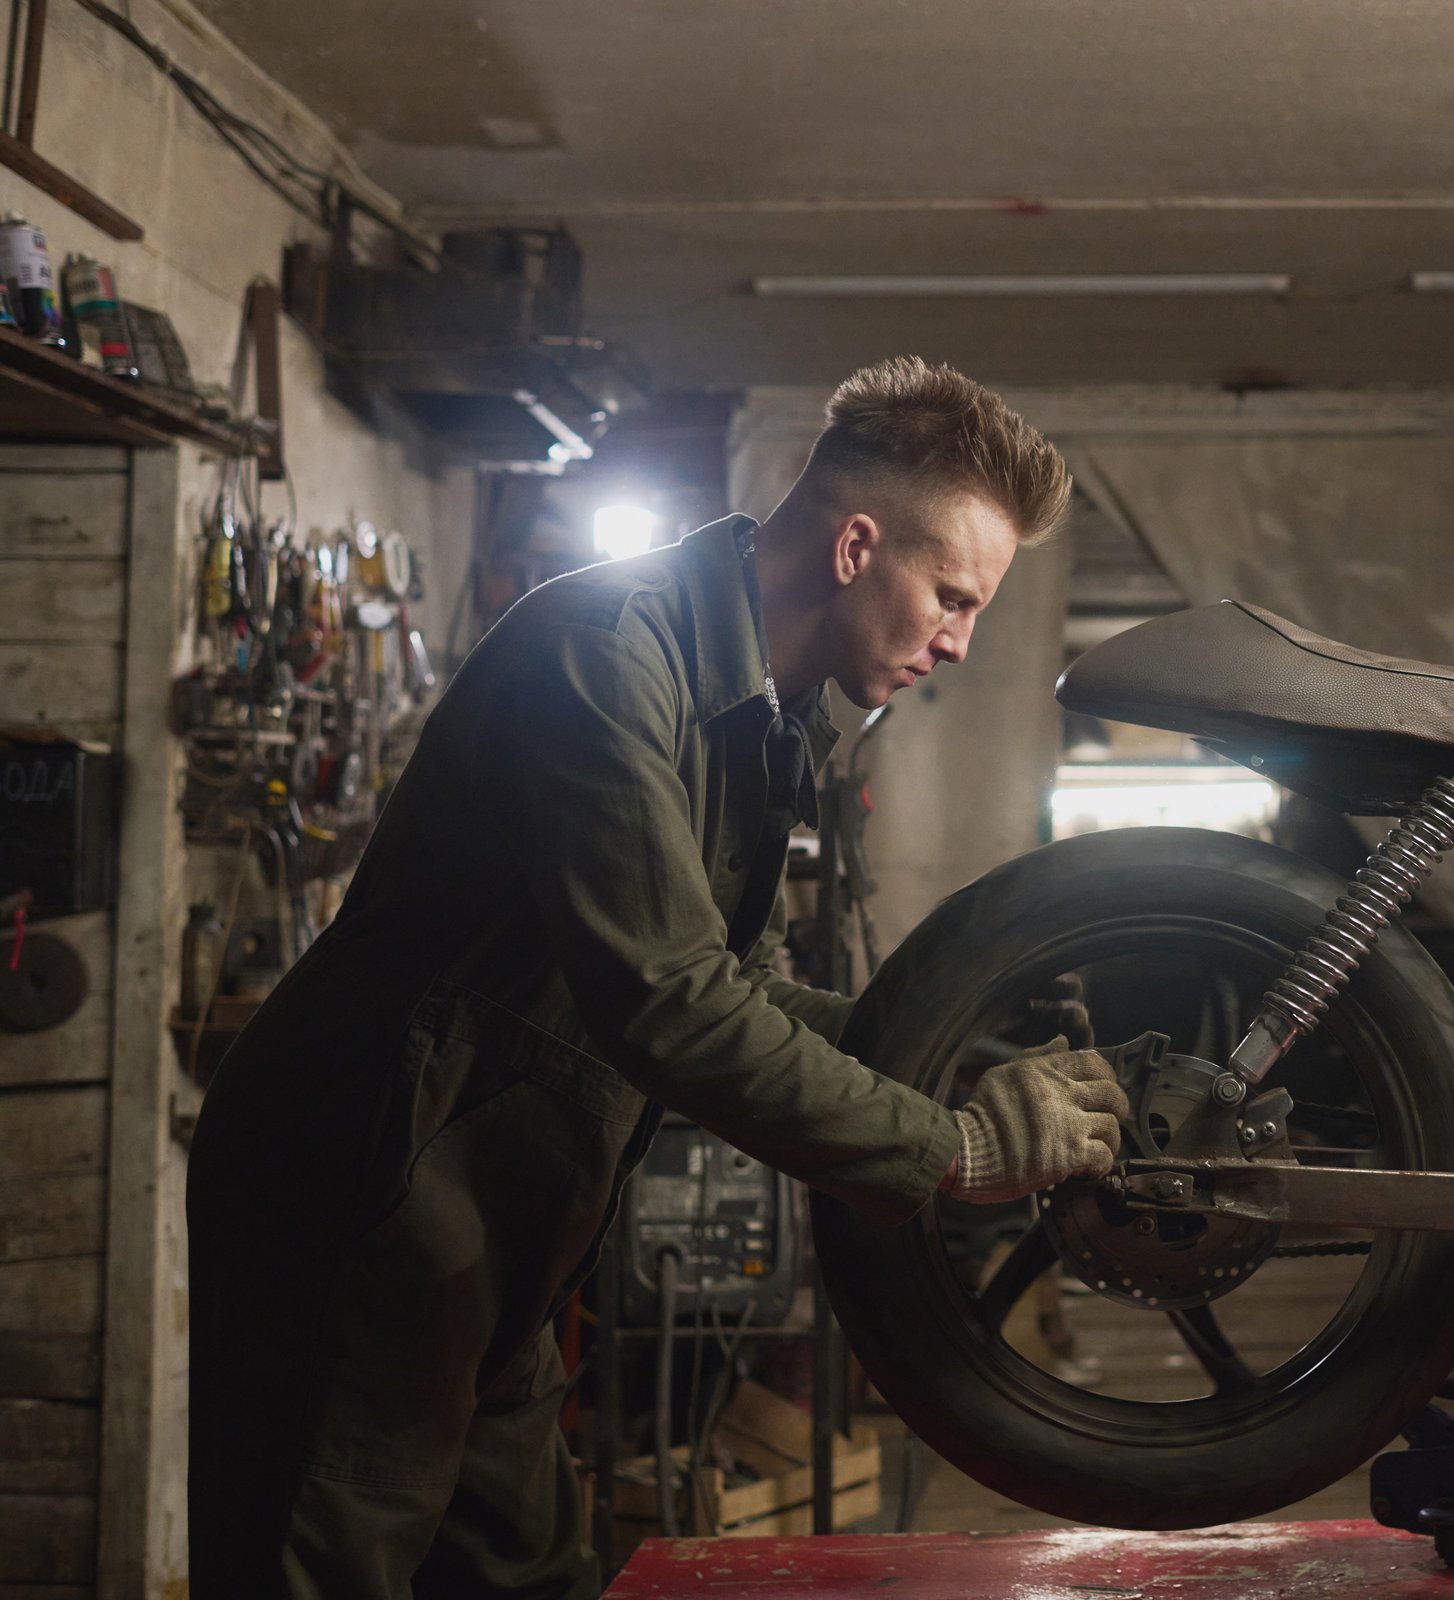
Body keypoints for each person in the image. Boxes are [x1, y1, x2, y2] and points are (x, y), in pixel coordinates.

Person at [187, 357, 1129, 1598]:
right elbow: (669, 1001)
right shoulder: (605, 653)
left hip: (491, 1220)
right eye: (952, 597)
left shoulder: (767, 711)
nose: (958, 642)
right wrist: (950, 1145)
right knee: (324, 1565)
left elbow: (740, 984)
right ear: (857, 546)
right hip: (357, 1197)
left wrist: (954, 1054)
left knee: (525, 1574)